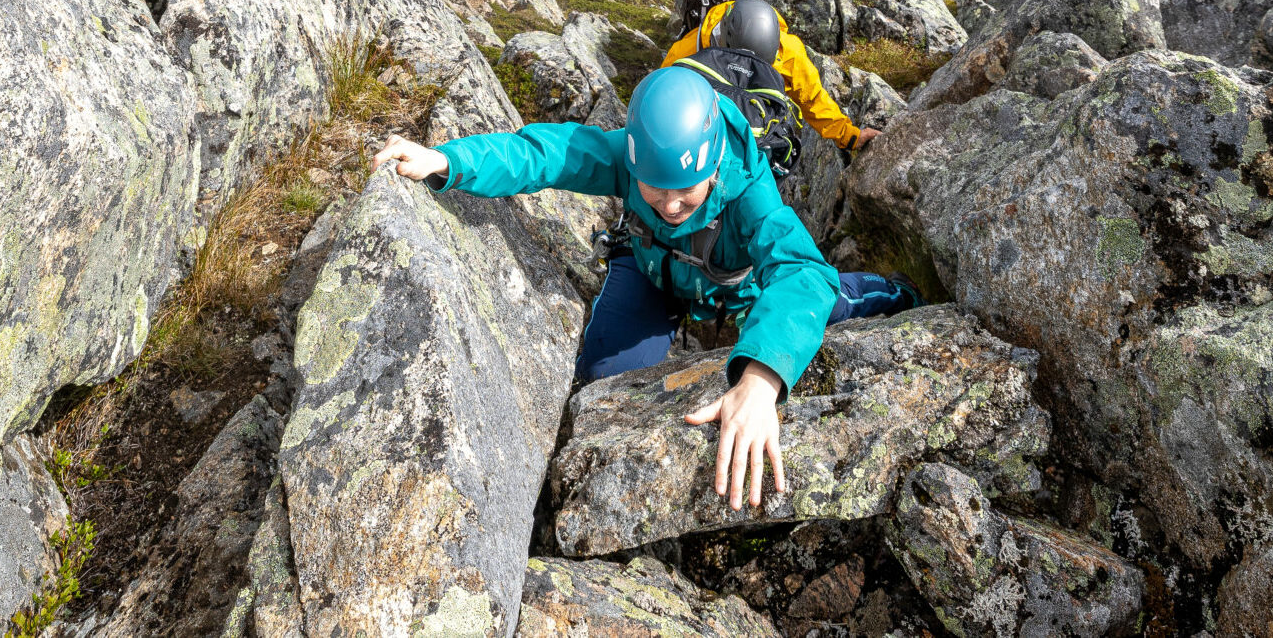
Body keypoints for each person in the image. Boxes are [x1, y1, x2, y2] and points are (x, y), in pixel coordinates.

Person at [372, 62, 921, 512]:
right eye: (654, 192)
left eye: (686, 193)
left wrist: (761, 379)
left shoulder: (751, 193)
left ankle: (894, 293)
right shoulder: (624, 155)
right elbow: (544, 155)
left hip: (736, 289)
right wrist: (447, 160)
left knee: (831, 302)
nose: (671, 205)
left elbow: (801, 272)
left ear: (713, 165)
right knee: (603, 386)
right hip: (653, 272)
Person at [662, 0, 881, 152]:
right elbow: (660, 95)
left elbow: (812, 98)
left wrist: (850, 136)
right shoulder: (688, 50)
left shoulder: (787, 53)